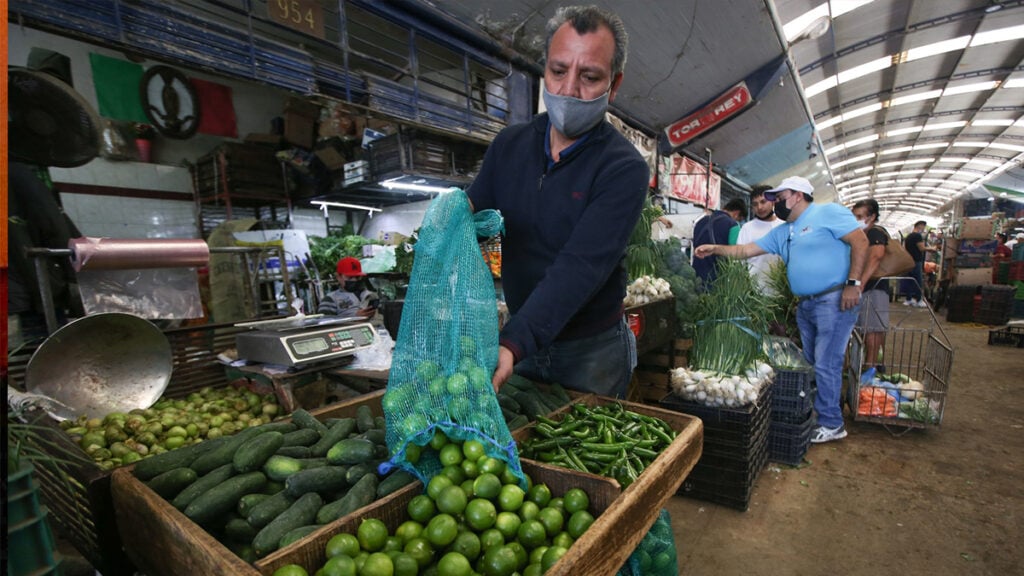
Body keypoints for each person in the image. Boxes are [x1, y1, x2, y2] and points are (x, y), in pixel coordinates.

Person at [467, 5, 649, 398]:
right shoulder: (509, 146)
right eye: (558, 70)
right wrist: (447, 218)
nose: (568, 90)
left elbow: (580, 266)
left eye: (589, 76)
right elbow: (473, 208)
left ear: (613, 85)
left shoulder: (623, 168)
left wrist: (513, 341)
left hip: (592, 352)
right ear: (544, 69)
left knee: (586, 455)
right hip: (521, 343)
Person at [694, 176, 868, 443]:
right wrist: (716, 248)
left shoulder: (827, 212)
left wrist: (854, 284)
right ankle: (818, 414)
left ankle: (832, 423)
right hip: (806, 304)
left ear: (797, 195)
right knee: (811, 363)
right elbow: (745, 250)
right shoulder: (784, 231)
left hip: (833, 300)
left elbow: (860, 242)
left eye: (779, 197)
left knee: (826, 363)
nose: (775, 203)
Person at [851, 199, 890, 372]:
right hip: (865, 289)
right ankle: (865, 369)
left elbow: (876, 257)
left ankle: (870, 370)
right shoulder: (859, 234)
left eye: (860, 216)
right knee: (864, 331)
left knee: (872, 332)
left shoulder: (874, 233)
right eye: (854, 216)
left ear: (872, 216)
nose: (856, 219)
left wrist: (860, 284)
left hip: (874, 289)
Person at [736, 185, 784, 291]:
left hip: (783, 290)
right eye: (755, 204)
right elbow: (740, 261)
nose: (759, 207)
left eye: (763, 202)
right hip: (756, 292)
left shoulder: (784, 226)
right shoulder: (747, 228)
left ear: (773, 201)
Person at [692, 198, 747, 288]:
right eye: (739, 219)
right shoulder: (732, 225)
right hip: (716, 279)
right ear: (737, 213)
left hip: (695, 274)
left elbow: (695, 246)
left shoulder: (700, 222)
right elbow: (734, 254)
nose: (738, 221)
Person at [903, 220, 938, 308]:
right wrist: (931, 249)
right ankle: (919, 300)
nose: (923, 229)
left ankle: (908, 299)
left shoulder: (909, 236)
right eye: (923, 227)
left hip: (908, 261)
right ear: (920, 226)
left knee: (910, 280)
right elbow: (922, 248)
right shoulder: (917, 236)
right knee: (918, 281)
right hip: (916, 261)